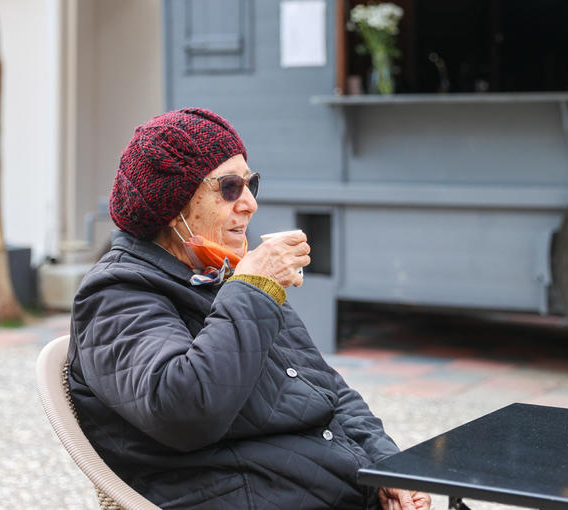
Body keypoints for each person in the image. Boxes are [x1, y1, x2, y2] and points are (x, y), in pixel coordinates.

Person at [68, 108, 431, 510]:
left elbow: (327, 387)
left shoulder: (219, 274)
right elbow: (185, 410)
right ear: (172, 207)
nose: (250, 203)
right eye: (229, 187)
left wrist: (385, 467)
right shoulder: (116, 292)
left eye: (250, 183)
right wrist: (254, 287)